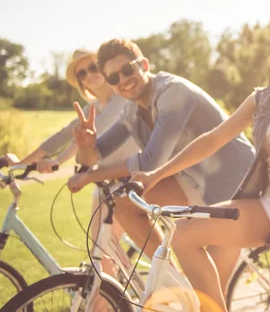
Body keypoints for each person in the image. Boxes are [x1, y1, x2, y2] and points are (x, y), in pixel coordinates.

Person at [130, 9, 270, 311]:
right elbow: (214, 139)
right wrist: (155, 174)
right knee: (182, 236)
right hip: (269, 206)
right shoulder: (262, 97)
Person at [67, 38, 256, 289]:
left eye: (127, 70)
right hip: (193, 182)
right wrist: (85, 144)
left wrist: (90, 176)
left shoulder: (173, 93)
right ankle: (174, 284)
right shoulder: (131, 112)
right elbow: (93, 157)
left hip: (237, 186)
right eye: (113, 78)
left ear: (144, 64)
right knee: (124, 206)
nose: (122, 80)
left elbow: (150, 161)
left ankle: (192, 294)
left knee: (209, 297)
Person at [0, 49, 140, 279]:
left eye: (93, 67)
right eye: (82, 73)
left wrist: (58, 160)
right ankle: (107, 301)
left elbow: (95, 135)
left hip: (132, 184)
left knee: (116, 254)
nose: (89, 75)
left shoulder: (121, 98)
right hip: (105, 184)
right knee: (100, 255)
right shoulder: (93, 107)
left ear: (104, 68)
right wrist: (22, 164)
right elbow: (68, 135)